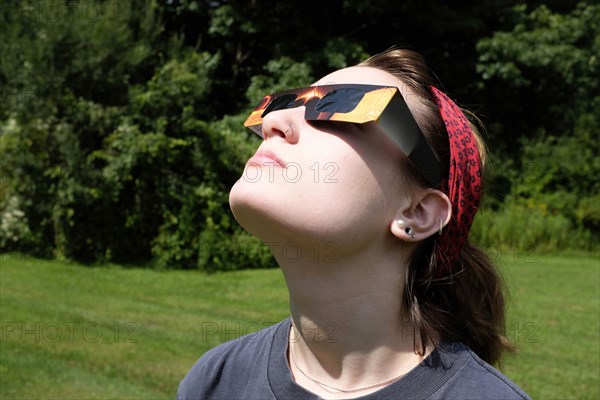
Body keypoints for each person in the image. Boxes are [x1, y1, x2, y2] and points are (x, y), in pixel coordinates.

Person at [177, 47, 531, 399]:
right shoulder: (216, 381)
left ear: (418, 213)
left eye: (339, 108)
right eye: (284, 105)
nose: (273, 123)